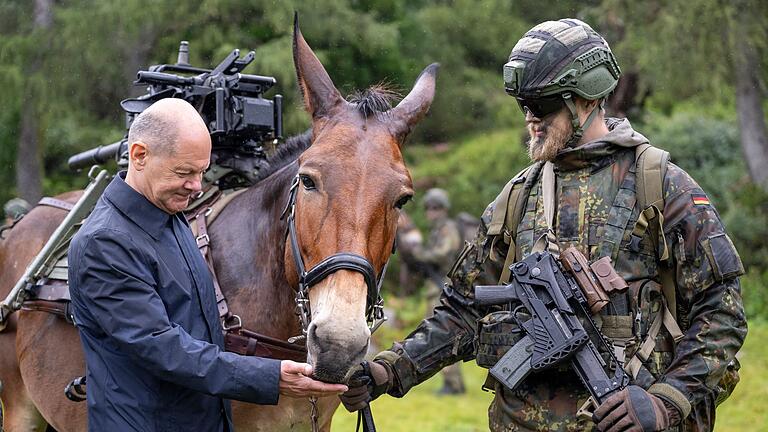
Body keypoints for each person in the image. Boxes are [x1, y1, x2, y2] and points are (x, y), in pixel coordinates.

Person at [341, 19, 747, 432]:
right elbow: (463, 310)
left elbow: (723, 312)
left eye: (544, 103)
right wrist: (390, 370)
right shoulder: (517, 197)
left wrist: (668, 399)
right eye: (524, 105)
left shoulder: (661, 186)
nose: (531, 118)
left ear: (586, 100)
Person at [68, 98, 346, 432]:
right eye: (184, 172)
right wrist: (271, 377)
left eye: (201, 172)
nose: (196, 186)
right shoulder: (105, 243)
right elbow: (163, 348)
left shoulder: (169, 215)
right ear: (140, 155)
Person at [397, 188, 466, 395]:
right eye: (428, 208)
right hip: (436, 288)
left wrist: (419, 253)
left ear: (442, 209)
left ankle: (452, 384)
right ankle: (454, 383)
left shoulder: (447, 228)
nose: (430, 213)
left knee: (440, 334)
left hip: (442, 287)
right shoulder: (438, 229)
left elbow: (444, 252)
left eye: (434, 208)